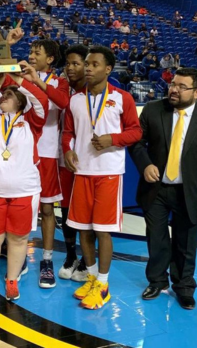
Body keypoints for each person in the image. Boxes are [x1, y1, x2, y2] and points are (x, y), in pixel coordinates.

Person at [62, 46, 142, 309]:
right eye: (87, 64)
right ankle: (93, 277)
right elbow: (68, 132)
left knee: (103, 231)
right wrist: (68, 150)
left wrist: (112, 140)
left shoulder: (123, 98)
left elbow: (135, 132)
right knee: (83, 229)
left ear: (108, 69)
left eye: (94, 64)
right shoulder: (75, 100)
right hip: (82, 172)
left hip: (108, 172)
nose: (88, 68)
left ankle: (104, 285)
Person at [128, 68, 197, 310]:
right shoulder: (153, 109)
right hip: (156, 189)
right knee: (157, 238)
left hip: (189, 191)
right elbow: (137, 143)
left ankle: (184, 287)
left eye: (181, 86)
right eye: (173, 84)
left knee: (186, 243)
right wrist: (145, 165)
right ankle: (157, 281)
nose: (173, 89)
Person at [0, 73, 48, 302]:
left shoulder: (32, 123)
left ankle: (12, 280)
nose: (2, 98)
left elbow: (41, 102)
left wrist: (20, 81)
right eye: (2, 95)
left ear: (19, 99)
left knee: (18, 239)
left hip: (25, 192)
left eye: (8, 96)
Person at [19, 40, 70, 288]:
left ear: (50, 59)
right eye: (30, 51)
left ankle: (47, 259)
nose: (31, 55)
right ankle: (18, 256)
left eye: (36, 52)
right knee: (22, 207)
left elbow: (63, 102)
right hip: (22, 150)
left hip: (48, 152)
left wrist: (36, 82)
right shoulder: (20, 76)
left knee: (48, 210)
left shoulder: (60, 82)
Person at [58, 44, 88, 281]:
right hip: (63, 156)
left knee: (86, 210)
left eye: (76, 63)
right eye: (67, 63)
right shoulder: (61, 86)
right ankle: (71, 255)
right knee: (66, 208)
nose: (70, 68)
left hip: (87, 159)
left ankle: (88, 260)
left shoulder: (96, 91)